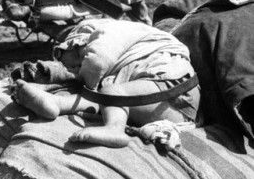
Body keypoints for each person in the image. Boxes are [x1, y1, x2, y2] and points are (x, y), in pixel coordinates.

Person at [13, 18, 200, 148]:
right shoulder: (122, 65)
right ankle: (56, 104)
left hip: (175, 93)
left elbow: (98, 61)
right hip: (161, 108)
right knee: (106, 97)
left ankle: (114, 129)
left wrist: (85, 79)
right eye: (76, 67)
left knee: (111, 92)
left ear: (81, 40)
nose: (81, 66)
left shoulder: (107, 32)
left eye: (80, 57)